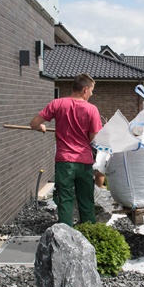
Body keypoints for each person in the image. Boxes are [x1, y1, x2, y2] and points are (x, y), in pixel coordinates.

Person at [30, 73, 102, 227]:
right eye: (91, 91)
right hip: (84, 162)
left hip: (64, 162)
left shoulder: (57, 104)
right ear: (84, 89)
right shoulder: (92, 110)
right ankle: (89, 235)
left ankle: (65, 238)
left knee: (65, 201)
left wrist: (41, 127)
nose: (92, 94)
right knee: (86, 201)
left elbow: (34, 123)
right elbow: (93, 137)